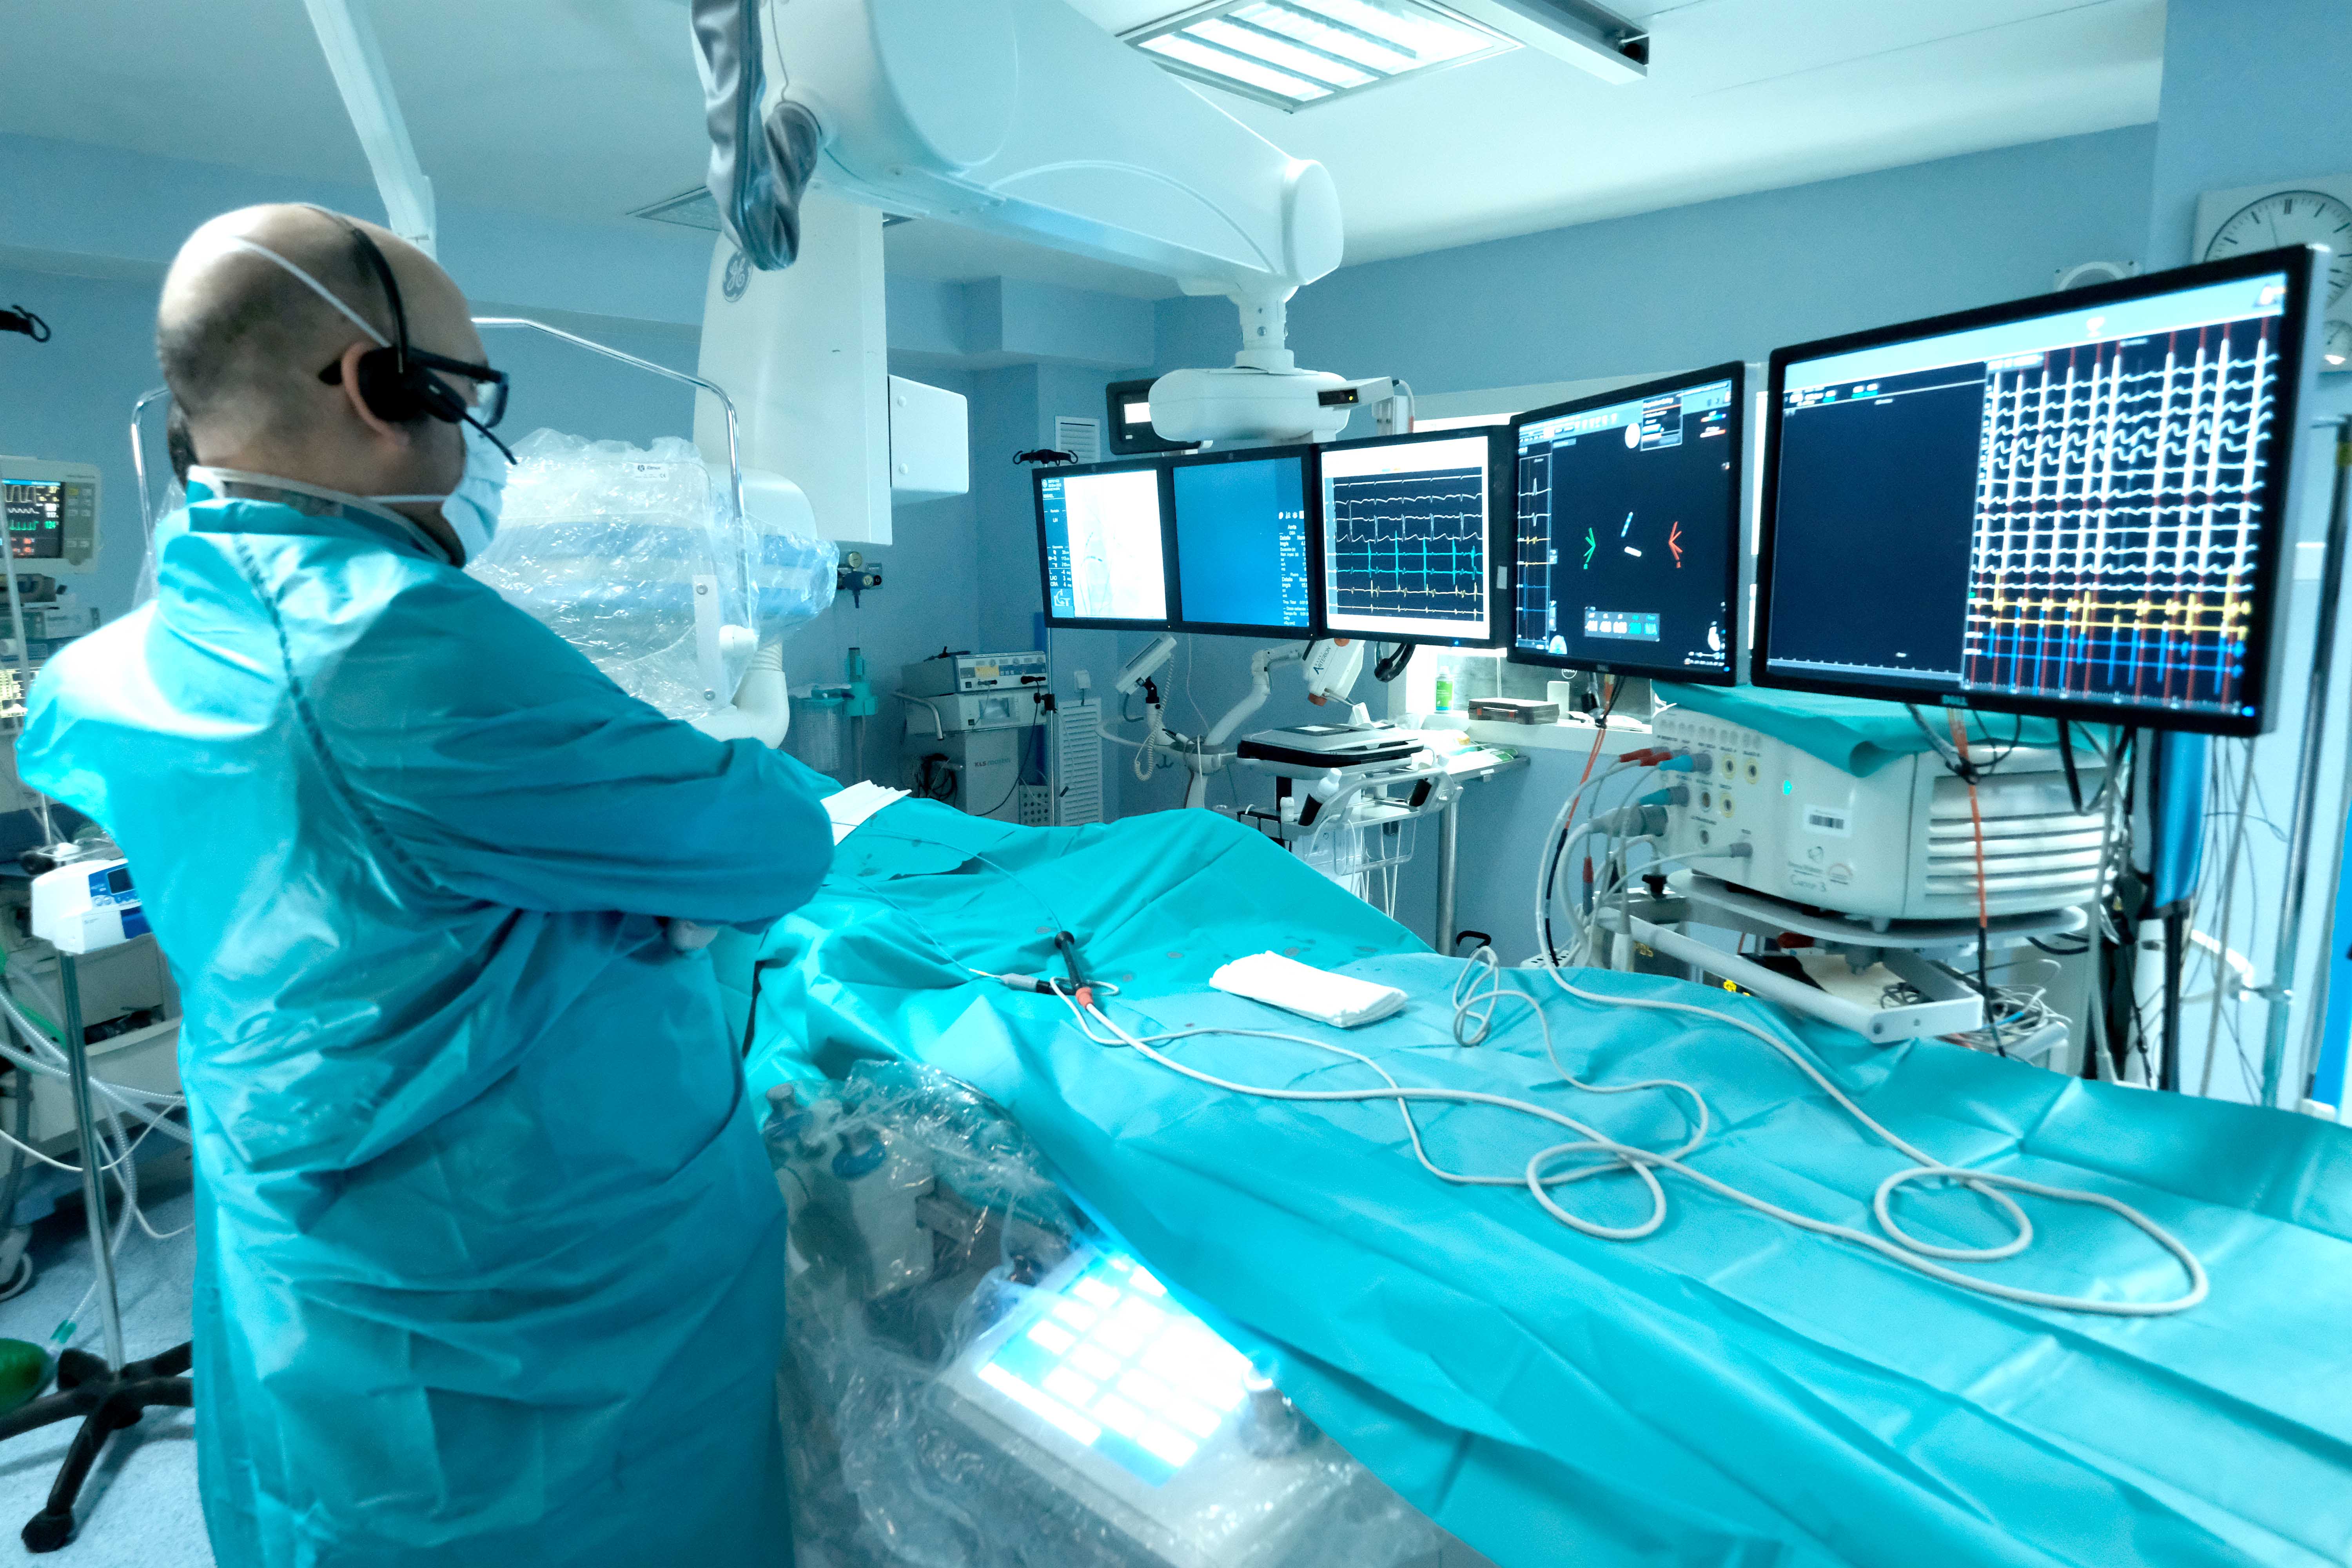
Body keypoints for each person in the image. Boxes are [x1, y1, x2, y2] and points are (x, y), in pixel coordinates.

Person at [16, 204, 836, 1566]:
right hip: (526, 1316)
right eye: (462, 399)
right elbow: (774, 846)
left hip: (306, 1250)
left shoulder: (109, 672)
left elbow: (365, 866)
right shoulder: (398, 644)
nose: (472, 448)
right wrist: (710, 762)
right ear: (372, 385)